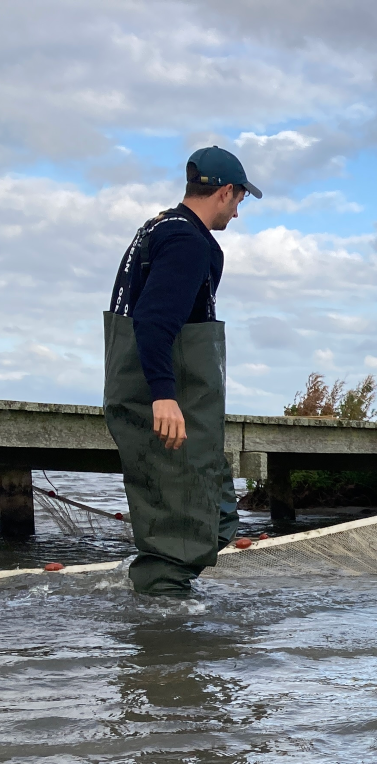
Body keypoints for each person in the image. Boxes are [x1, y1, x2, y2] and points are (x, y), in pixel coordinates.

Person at [103, 146, 261, 596]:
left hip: (166, 394)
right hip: (166, 399)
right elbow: (153, 320)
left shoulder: (157, 228)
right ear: (225, 192)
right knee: (177, 537)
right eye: (240, 200)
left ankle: (165, 618)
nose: (237, 212)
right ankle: (163, 646)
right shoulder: (189, 243)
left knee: (217, 515)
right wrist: (164, 395)